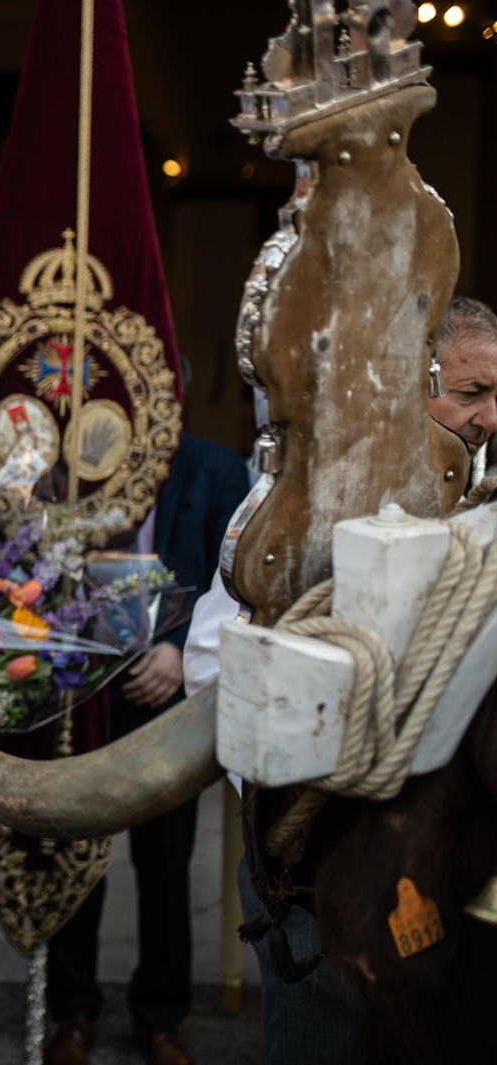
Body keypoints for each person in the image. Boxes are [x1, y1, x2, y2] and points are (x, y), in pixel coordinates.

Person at [180, 294, 497, 1065]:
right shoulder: (294, 505)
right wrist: (322, 783)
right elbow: (214, 662)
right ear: (400, 384)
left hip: (463, 867)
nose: (491, 415)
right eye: (471, 392)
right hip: (321, 871)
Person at [40, 429, 247, 1065]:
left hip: (167, 697)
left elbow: (239, 582)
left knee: (165, 865)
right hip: (81, 692)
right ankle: (72, 1013)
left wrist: (180, 653)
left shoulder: (213, 468)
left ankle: (159, 1016)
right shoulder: (70, 460)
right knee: (77, 855)